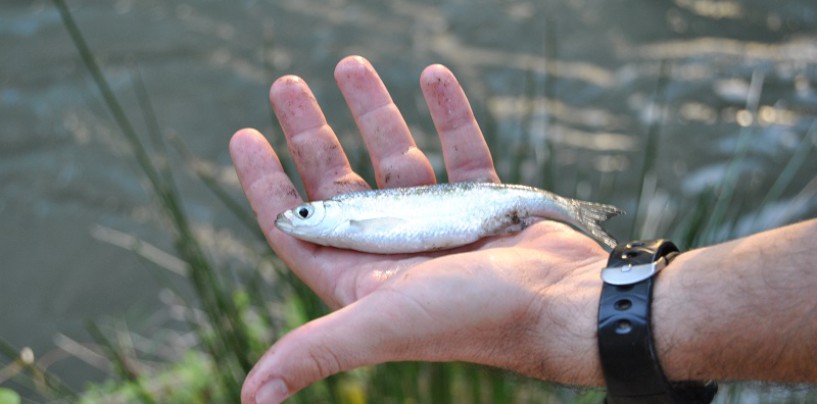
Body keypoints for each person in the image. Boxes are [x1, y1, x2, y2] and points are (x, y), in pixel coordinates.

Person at [229, 55, 817, 404]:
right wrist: (597, 303)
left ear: (331, 214)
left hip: (495, 210)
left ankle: (573, 221)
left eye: (306, 213)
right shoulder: (346, 224)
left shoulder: (347, 220)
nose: (298, 218)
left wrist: (584, 303)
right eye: (303, 214)